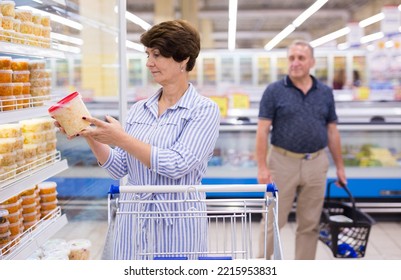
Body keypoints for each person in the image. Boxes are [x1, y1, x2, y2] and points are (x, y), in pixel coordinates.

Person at [55, 19, 220, 259]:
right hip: (133, 221)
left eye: (157, 55)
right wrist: (88, 132)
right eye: (147, 54)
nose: (149, 63)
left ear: (184, 58)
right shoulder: (140, 109)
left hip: (176, 224)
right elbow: (119, 166)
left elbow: (177, 164)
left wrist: (121, 138)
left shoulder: (203, 110)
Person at [256, 40, 347, 260]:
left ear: (312, 62)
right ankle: (260, 266)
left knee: (310, 223)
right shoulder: (274, 91)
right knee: (273, 220)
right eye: (291, 58)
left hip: (316, 162)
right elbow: (262, 130)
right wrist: (262, 167)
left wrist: (340, 168)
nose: (295, 63)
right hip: (282, 161)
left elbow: (332, 131)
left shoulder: (325, 92)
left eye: (301, 58)